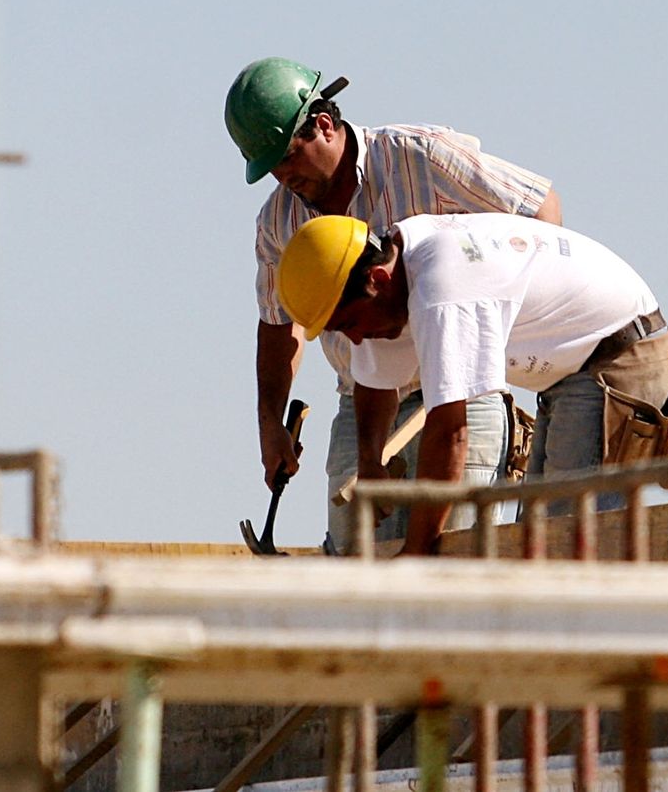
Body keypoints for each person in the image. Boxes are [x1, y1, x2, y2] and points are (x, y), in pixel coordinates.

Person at [225, 56, 562, 553]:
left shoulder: (420, 156)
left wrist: (494, 326)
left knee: (452, 565)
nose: (282, 176)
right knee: (358, 582)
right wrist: (270, 424)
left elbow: (539, 210)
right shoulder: (277, 222)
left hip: (458, 398)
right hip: (361, 406)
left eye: (287, 156)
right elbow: (279, 326)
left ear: (323, 124)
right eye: (269, 166)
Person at [275, 212, 668, 555]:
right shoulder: (390, 277)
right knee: (538, 546)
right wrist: (370, 465)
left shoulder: (442, 288)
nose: (353, 339)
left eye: (348, 324)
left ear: (378, 282)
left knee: (566, 550)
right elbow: (373, 383)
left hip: (621, 360)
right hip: (575, 374)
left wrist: (417, 553)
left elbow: (452, 432)